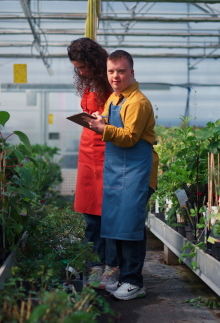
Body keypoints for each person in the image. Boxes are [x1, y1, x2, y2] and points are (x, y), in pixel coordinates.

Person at [85, 50, 159, 301]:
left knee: (130, 228)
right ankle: (120, 275)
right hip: (118, 172)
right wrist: (99, 119)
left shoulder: (137, 102)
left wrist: (103, 128)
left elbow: (129, 137)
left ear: (132, 72)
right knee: (116, 225)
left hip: (137, 172)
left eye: (121, 71)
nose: (115, 76)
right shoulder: (115, 99)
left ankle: (134, 282)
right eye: (111, 71)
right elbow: (109, 120)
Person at [67, 38, 119, 290]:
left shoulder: (110, 85)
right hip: (88, 152)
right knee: (91, 215)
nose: (81, 72)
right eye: (77, 68)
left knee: (107, 213)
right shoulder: (89, 84)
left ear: (94, 62)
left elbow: (118, 121)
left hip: (107, 150)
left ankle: (111, 266)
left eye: (83, 67)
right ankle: (94, 266)